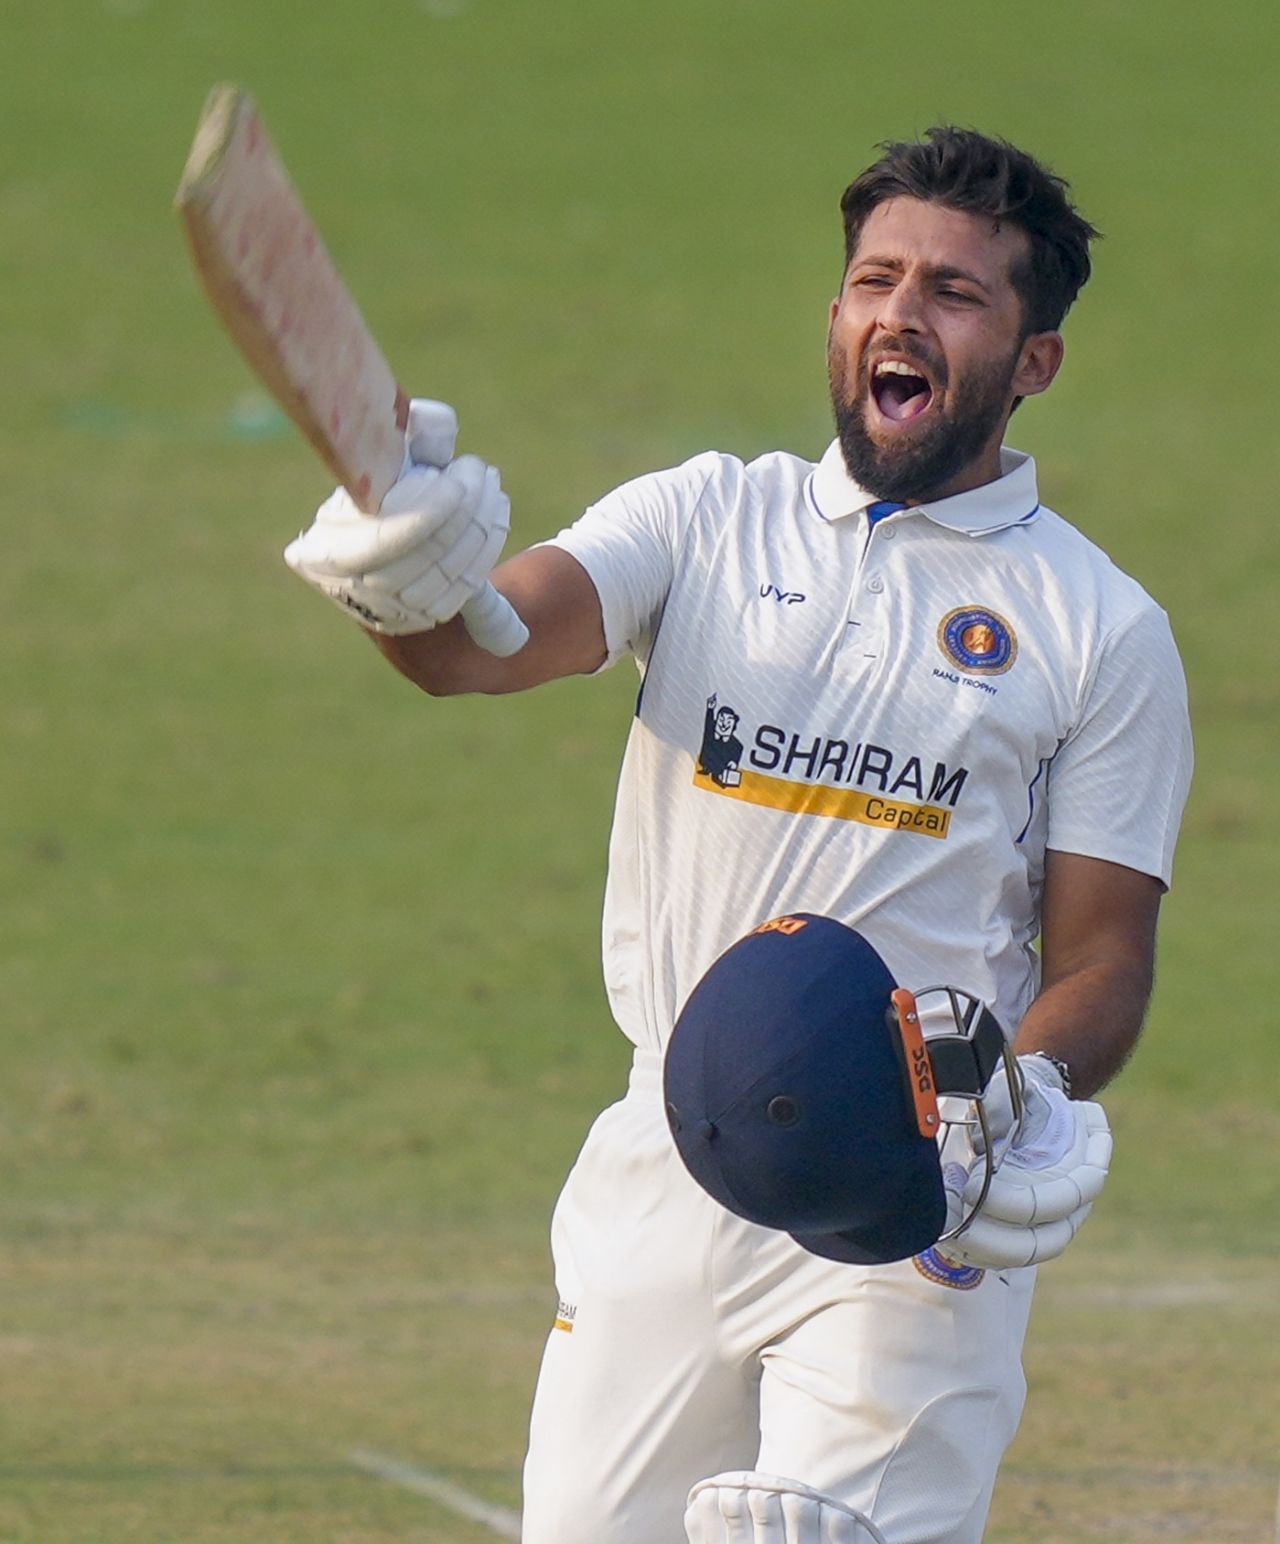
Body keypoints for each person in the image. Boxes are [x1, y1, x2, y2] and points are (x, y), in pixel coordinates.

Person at [284, 126, 1192, 1544]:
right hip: (668, 1155)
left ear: (1033, 364)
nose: (901, 312)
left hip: (909, 1185)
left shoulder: (1101, 631)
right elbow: (482, 647)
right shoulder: (708, 516)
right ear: (837, 316)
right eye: (876, 279)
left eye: (955, 294)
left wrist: (1012, 1095)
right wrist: (408, 566)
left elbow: (1103, 957)